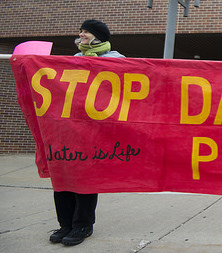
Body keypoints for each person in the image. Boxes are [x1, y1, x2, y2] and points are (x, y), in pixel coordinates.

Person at [48, 19, 124, 246]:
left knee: (86, 180)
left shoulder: (116, 61)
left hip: (95, 131)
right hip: (68, 130)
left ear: (99, 36)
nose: (81, 35)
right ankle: (65, 225)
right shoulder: (73, 61)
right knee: (62, 177)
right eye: (80, 31)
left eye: (86, 32)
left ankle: (83, 226)